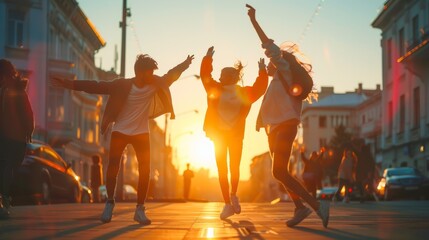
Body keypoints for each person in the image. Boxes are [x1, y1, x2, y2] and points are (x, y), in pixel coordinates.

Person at [51, 53, 194, 224]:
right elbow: (96, 86)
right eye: (149, 72)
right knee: (113, 167)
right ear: (140, 73)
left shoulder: (154, 84)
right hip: (120, 130)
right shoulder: (122, 85)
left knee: (145, 170)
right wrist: (68, 84)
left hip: (141, 132)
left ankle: (140, 209)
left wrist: (185, 63)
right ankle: (109, 203)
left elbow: (171, 75)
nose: (153, 75)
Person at [246, 4, 330, 228]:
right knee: (280, 173)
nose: (269, 64)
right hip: (274, 128)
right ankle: (300, 208)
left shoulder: (284, 70)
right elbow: (269, 104)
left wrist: (254, 21)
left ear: (280, 60)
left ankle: (315, 205)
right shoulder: (277, 79)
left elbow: (269, 47)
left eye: (272, 61)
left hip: (285, 126)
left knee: (279, 170)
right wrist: (261, 123)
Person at [200, 46, 268, 219]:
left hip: (235, 135)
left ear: (230, 77)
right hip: (219, 137)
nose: (219, 77)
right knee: (222, 170)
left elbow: (260, 87)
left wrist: (262, 71)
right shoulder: (215, 89)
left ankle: (233, 195)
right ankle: (227, 204)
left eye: (222, 75)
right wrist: (208, 59)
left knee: (234, 167)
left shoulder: (244, 93)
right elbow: (205, 76)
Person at [0, 59, 34, 219]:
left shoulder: (19, 91)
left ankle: (4, 198)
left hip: (16, 138)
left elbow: (28, 113)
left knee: (8, 167)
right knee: (6, 166)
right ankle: (4, 199)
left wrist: (29, 131)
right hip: (5, 137)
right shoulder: (3, 89)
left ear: (7, 75)